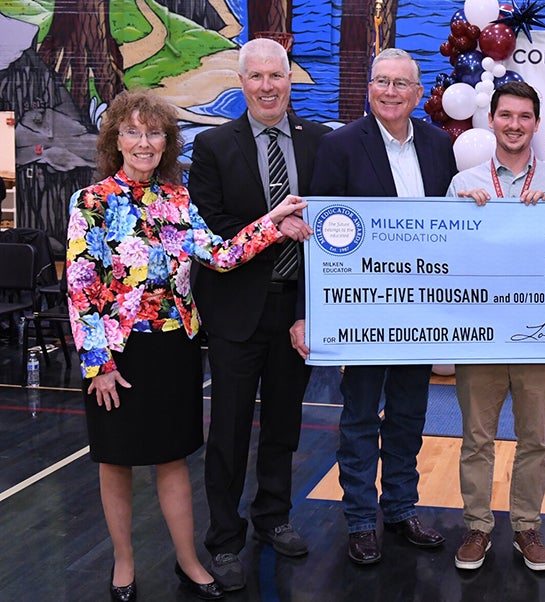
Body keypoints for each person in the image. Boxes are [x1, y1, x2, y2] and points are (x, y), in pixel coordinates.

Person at [66, 90, 307, 602]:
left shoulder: (177, 199)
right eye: (132, 132)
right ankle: (124, 564)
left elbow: (220, 256)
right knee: (116, 461)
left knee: (174, 458)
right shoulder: (92, 201)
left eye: (154, 133)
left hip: (175, 348)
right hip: (117, 355)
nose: (144, 142)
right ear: (116, 140)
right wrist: (97, 366)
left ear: (167, 143)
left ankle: (189, 560)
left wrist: (273, 223)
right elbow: (80, 288)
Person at [295, 47, 457, 565]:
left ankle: (401, 508)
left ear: (417, 92)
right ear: (369, 88)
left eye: (400, 84)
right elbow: (319, 238)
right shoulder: (340, 146)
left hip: (421, 307)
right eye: (381, 81)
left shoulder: (438, 145)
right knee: (361, 414)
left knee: (409, 413)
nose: (390, 91)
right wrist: (312, 311)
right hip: (361, 308)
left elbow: (453, 227)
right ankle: (361, 519)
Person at [188, 37, 330, 591]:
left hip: (295, 310)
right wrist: (272, 225)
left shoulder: (320, 143)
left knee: (284, 425)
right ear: (241, 81)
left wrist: (309, 311)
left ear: (289, 80)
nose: (268, 86)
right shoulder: (213, 148)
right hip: (235, 311)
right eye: (257, 77)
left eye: (277, 76)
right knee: (227, 430)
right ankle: (224, 538)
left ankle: (273, 517)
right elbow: (211, 231)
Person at [446, 81, 545, 572]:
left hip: (539, 333)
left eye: (525, 116)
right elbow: (445, 258)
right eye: (506, 115)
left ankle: (526, 525)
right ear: (491, 120)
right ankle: (477, 526)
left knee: (534, 440)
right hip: (479, 333)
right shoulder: (464, 185)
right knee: (476, 438)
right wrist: (464, 218)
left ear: (537, 123)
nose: (515, 124)